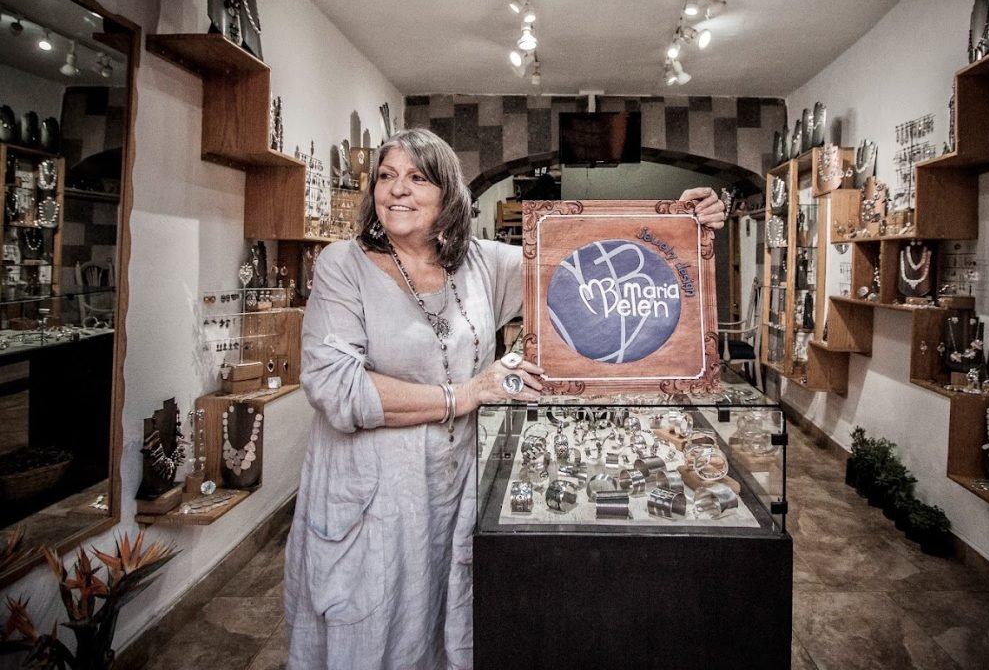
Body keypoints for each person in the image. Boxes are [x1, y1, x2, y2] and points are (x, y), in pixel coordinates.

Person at [283, 128, 725, 670]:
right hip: (373, 493)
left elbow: (583, 252)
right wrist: (468, 393)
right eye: (386, 176)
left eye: (417, 178)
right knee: (371, 626)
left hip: (451, 485)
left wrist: (673, 222)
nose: (398, 190)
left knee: (441, 620)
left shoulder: (478, 263)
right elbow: (336, 387)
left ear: (447, 193)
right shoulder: (341, 265)